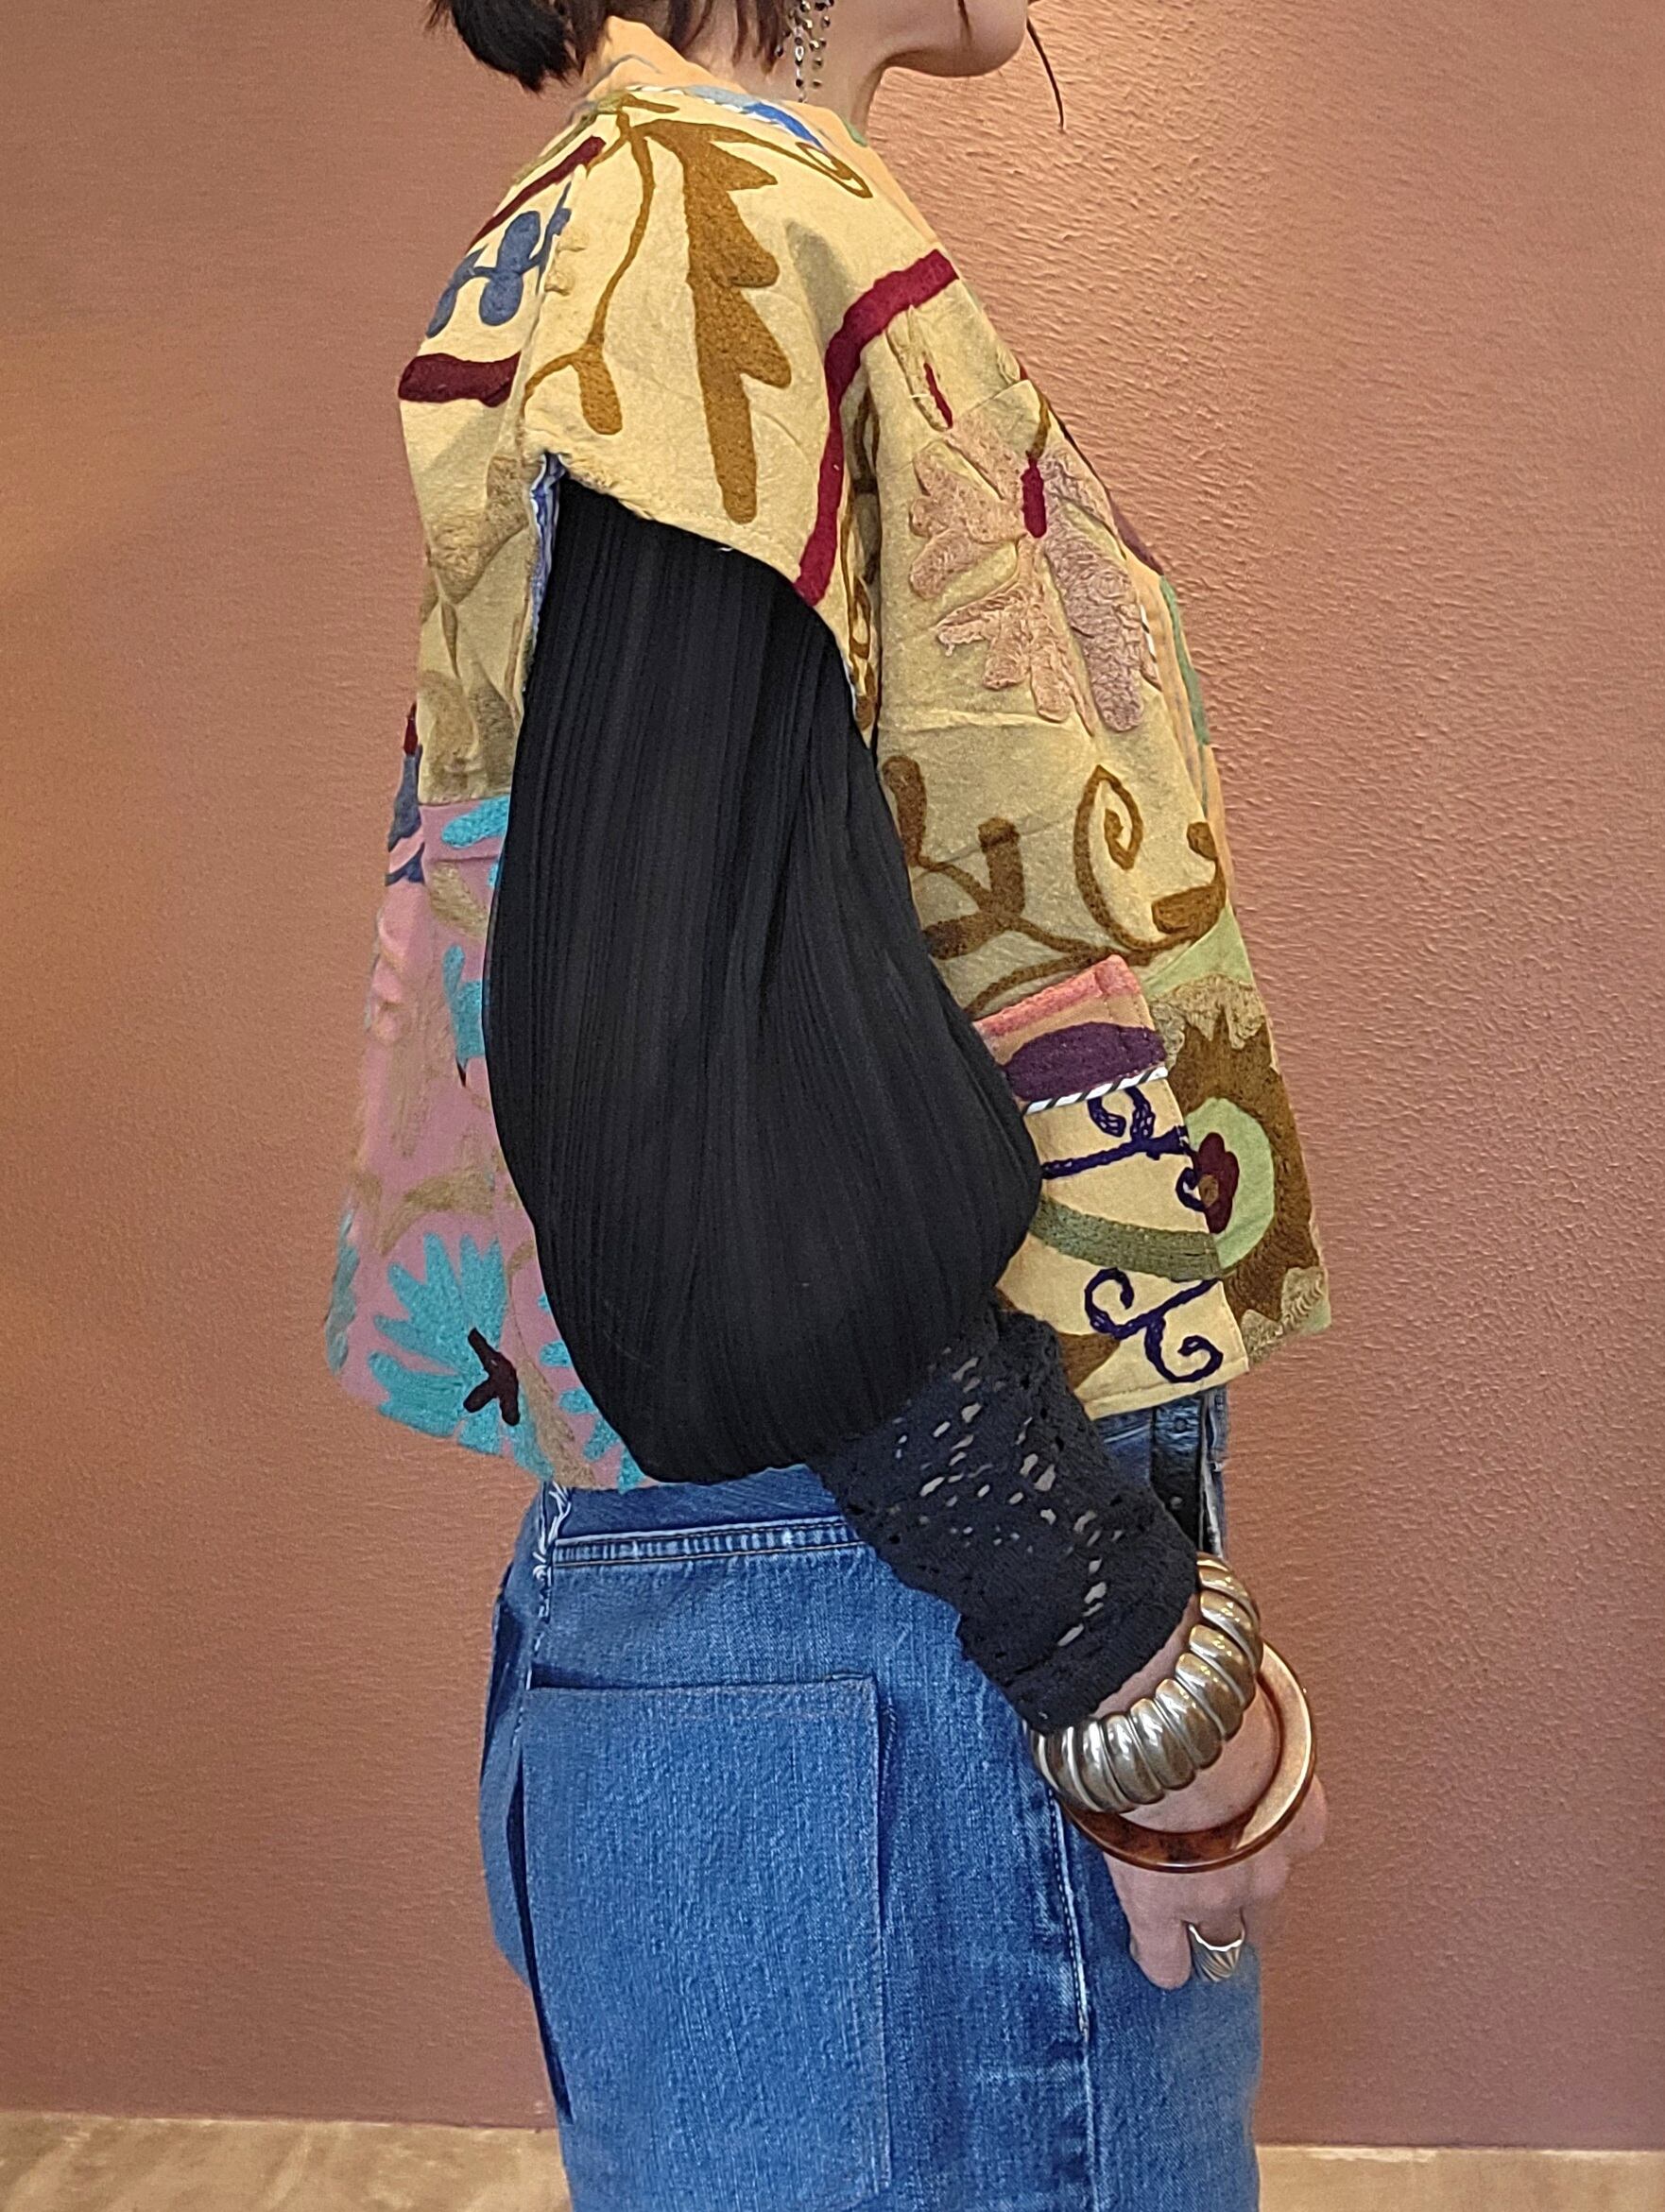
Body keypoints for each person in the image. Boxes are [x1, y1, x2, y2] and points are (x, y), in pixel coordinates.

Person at [331, 3, 1330, 2203]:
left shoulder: (704, 217)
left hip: (848, 1621)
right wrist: (1106, 1634)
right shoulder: (708, 215)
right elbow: (680, 1060)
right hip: (896, 1623)